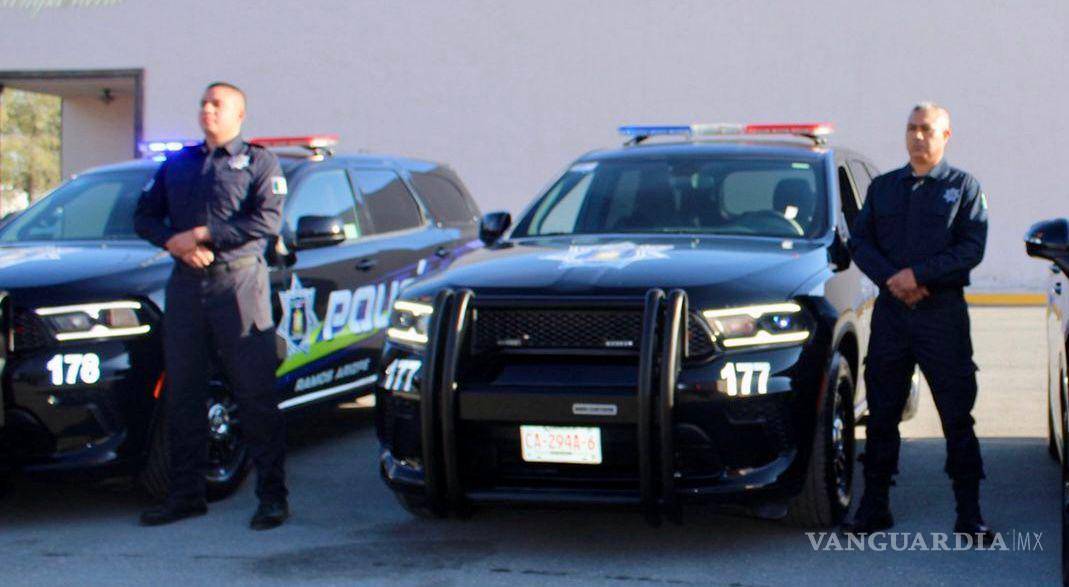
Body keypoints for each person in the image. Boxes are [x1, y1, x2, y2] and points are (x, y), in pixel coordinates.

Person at [134, 81, 289, 530]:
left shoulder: (259, 162)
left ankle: (272, 497)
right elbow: (143, 215)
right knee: (183, 395)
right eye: (203, 103)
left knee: (254, 395)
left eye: (217, 105)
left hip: (238, 285)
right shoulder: (178, 163)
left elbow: (267, 221)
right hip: (186, 287)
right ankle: (185, 495)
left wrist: (201, 235)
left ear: (239, 114)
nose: (207, 110)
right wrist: (174, 244)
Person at [844, 102, 993, 543]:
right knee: (881, 414)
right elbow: (860, 241)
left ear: (946, 136)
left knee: (956, 416)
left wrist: (920, 275)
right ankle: (874, 507)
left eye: (927, 129)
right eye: (911, 128)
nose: (918, 137)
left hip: (941, 317)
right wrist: (894, 280)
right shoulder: (885, 188)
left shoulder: (963, 188)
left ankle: (970, 514)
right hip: (893, 315)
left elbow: (972, 248)